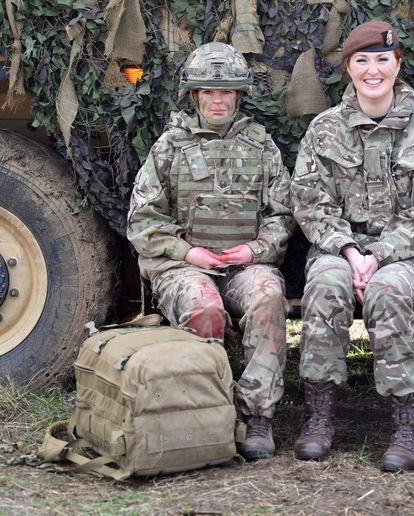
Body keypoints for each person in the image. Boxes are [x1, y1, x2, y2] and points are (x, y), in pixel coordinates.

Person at [290, 21, 414, 472]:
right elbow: (309, 202)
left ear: (398, 64)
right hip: (339, 248)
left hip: (411, 253)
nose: (373, 70)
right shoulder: (325, 131)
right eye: (362, 60)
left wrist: (380, 255)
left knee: (387, 289)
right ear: (348, 68)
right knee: (325, 284)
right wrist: (348, 251)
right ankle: (319, 418)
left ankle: (407, 426)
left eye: (383, 59)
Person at [127, 42, 295, 461]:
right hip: (186, 265)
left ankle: (257, 416)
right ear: (194, 95)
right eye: (207, 92)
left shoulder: (262, 147)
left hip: (244, 262)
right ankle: (208, 416)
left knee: (268, 298)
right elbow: (143, 220)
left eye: (226, 93)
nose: (217, 100)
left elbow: (284, 215)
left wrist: (254, 250)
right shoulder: (170, 148)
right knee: (205, 309)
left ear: (239, 95)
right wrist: (187, 254)